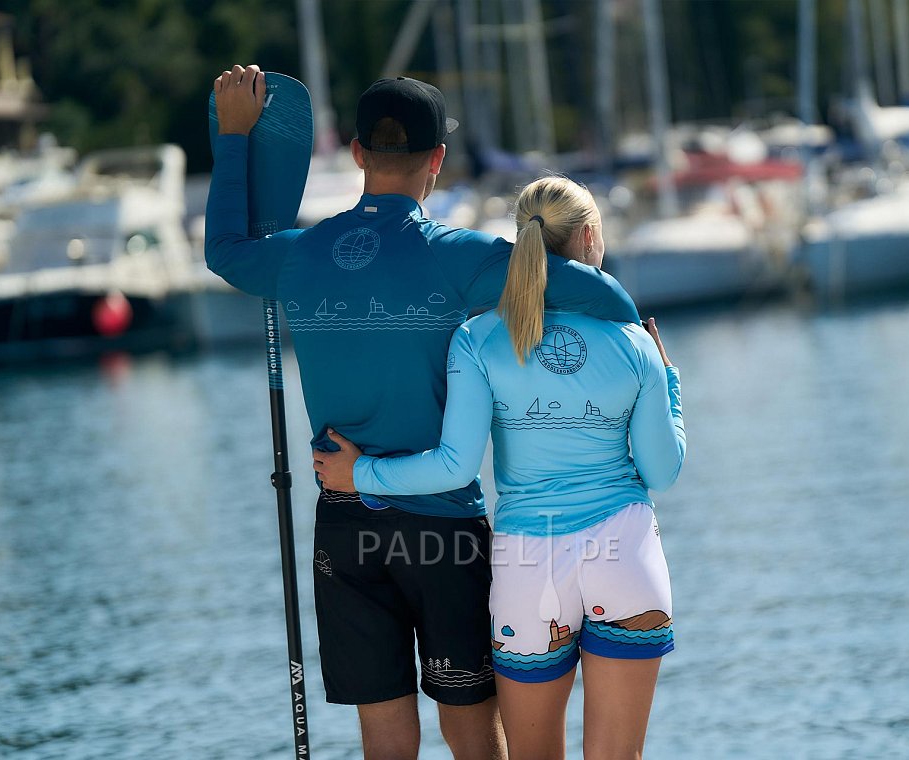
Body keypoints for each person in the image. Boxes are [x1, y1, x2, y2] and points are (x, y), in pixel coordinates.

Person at [206, 67, 640, 760]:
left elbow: (222, 250)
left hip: (345, 527)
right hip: (443, 531)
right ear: (437, 160)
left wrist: (233, 138)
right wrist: (642, 352)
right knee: (471, 731)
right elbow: (595, 294)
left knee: (385, 742)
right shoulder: (458, 257)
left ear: (355, 153)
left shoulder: (299, 255)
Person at [315, 176, 686, 760]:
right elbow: (662, 472)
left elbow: (454, 465)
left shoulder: (480, 338)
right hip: (624, 550)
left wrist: (359, 476)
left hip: (528, 563)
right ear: (591, 237)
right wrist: (671, 384)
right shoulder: (633, 342)